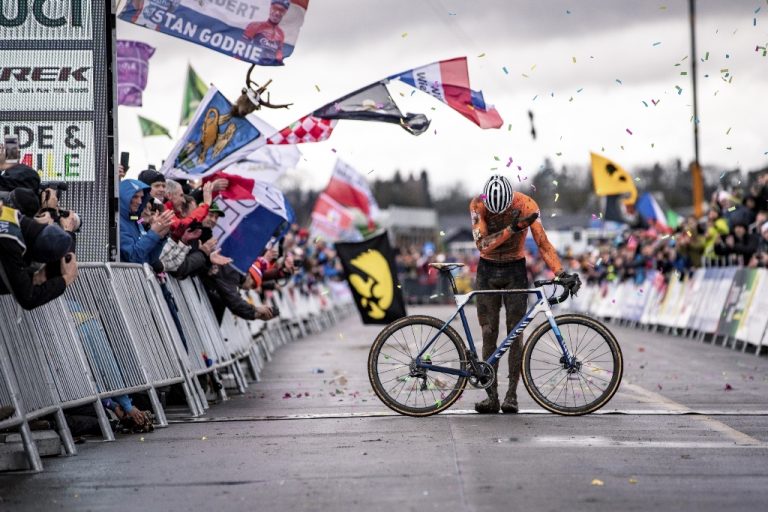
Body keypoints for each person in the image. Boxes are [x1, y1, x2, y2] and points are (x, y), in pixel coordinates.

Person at [469, 174, 580, 414]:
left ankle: (511, 396)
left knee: (515, 333)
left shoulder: (527, 205)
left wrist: (560, 272)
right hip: (486, 269)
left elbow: (542, 243)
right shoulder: (478, 203)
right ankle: (492, 397)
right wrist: (512, 228)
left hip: (515, 269)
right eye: (492, 211)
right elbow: (482, 245)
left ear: (511, 201)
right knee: (489, 333)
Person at [0, 204, 78, 310]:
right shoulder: (11, 243)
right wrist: (65, 280)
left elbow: (8, 276)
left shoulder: (16, 220)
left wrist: (36, 278)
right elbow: (28, 299)